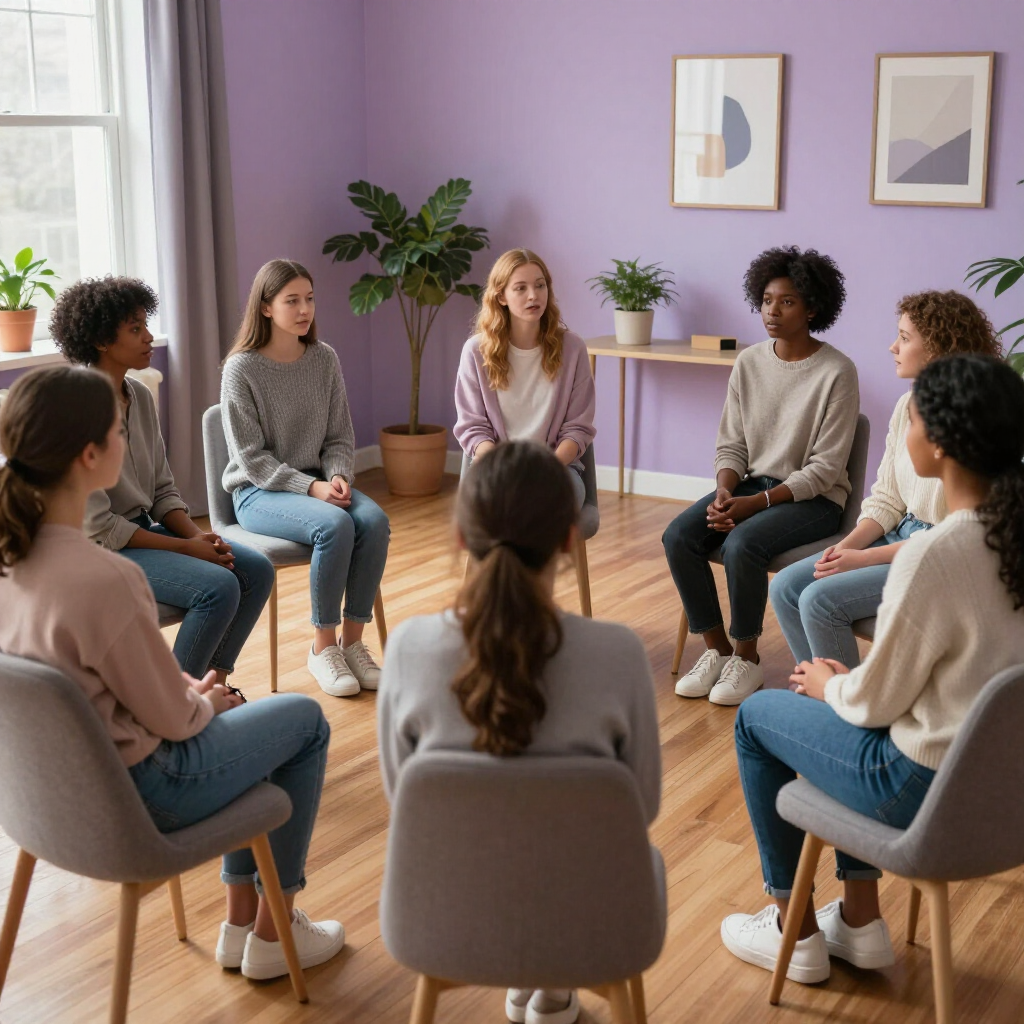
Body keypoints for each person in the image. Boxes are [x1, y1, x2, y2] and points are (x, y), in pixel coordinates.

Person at [0, 365, 345, 980]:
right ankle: (272, 928)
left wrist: (193, 693)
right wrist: (208, 703)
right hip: (143, 796)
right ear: (89, 455)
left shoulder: (12, 567)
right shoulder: (108, 581)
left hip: (46, 801)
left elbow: (103, 690)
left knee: (238, 712)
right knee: (303, 722)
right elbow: (176, 724)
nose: (125, 442)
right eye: (117, 432)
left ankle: (243, 923)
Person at [721, 354, 1024, 985]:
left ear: (938, 442)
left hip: (920, 787)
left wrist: (828, 682)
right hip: (1003, 794)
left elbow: (873, 706)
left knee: (757, 715)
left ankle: (792, 929)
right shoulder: (1010, 536)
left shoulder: (936, 554)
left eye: (910, 418)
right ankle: (859, 922)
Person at [377, 441, 660, 1024]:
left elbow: (402, 797)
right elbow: (642, 805)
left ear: (461, 538)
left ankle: (540, 980)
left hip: (444, 913)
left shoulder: (408, 647)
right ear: (568, 539)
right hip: (591, 918)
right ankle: (553, 988)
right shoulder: (619, 655)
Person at [49, 277, 275, 682]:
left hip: (140, 533)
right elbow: (99, 527)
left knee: (256, 570)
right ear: (101, 340)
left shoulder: (138, 394)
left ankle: (213, 689)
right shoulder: (79, 408)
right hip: (98, 550)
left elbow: (161, 490)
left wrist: (197, 537)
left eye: (145, 325)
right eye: (135, 329)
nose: (149, 337)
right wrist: (185, 548)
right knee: (218, 588)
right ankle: (178, 701)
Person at [663, 246, 859, 705]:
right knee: (678, 536)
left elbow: (826, 469)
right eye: (768, 299)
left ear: (813, 307)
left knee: (743, 543)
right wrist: (725, 492)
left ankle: (747, 660)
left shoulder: (837, 371)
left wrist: (757, 505)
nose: (772, 310)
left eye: (787, 301)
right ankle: (718, 651)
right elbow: (732, 443)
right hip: (752, 485)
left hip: (815, 500)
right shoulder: (749, 362)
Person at [770, 291, 1001, 667]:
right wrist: (848, 547)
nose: (893, 346)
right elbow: (887, 498)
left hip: (937, 555)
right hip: (897, 534)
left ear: (939, 346)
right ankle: (822, 697)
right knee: (785, 586)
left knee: (819, 600)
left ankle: (840, 707)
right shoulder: (905, 404)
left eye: (905, 338)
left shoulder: (971, 419)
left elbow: (955, 536)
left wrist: (865, 559)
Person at [221, 259, 390, 698]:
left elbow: (339, 436)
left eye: (309, 299)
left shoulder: (323, 358)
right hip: (259, 491)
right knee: (334, 525)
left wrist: (336, 475)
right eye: (291, 300)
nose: (304, 309)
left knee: (374, 522)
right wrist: (310, 487)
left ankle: (352, 644)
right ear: (264, 307)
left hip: (317, 482)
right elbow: (251, 459)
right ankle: (322, 648)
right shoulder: (241, 369)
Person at [454, 248, 595, 509]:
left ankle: (510, 550)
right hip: (497, 470)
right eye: (520, 288)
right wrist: (505, 470)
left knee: (535, 504)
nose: (533, 295)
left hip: (556, 472)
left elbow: (578, 428)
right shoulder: (475, 352)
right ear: (501, 296)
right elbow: (473, 429)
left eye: (540, 286)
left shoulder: (572, 349)